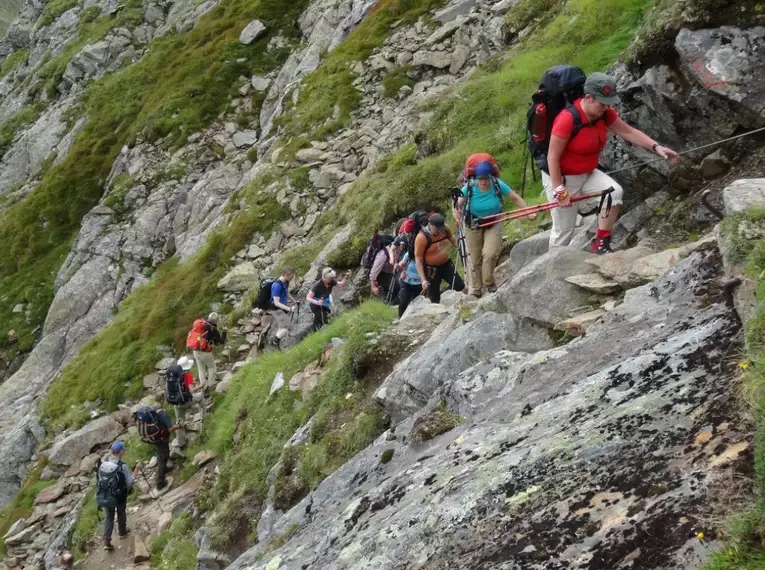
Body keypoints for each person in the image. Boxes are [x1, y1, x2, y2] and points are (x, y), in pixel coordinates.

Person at [545, 72, 679, 253]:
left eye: (608, 102)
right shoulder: (567, 119)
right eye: (602, 103)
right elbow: (552, 157)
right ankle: (550, 267)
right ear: (588, 97)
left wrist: (656, 147)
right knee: (564, 230)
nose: (606, 107)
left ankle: (601, 243)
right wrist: (559, 191)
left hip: (588, 172)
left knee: (614, 193)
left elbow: (629, 132)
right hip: (562, 178)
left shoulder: (604, 114)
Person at [454, 161, 535, 297]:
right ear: (476, 178)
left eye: (486, 179)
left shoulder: (497, 183)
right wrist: (457, 212)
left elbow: (514, 197)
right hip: (473, 224)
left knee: (490, 254)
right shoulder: (470, 186)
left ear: (490, 177)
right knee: (475, 258)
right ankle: (477, 288)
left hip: (494, 221)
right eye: (481, 179)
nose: (484, 182)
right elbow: (458, 204)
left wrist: (528, 212)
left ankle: (489, 282)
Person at [414, 213, 464, 304]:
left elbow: (452, 239)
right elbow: (418, 259)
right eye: (437, 229)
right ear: (430, 225)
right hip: (431, 270)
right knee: (434, 299)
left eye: (441, 229)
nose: (440, 232)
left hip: (446, 265)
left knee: (459, 285)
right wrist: (423, 280)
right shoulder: (421, 238)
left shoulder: (445, 229)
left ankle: (447, 294)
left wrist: (460, 246)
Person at [98, 441, 139, 551]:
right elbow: (129, 482)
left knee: (109, 517)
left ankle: (107, 541)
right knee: (121, 512)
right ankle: (122, 532)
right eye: (123, 451)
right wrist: (136, 470)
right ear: (120, 452)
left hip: (106, 495)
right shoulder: (123, 466)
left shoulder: (103, 464)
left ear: (111, 451)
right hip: (119, 495)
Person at [134, 405, 177, 491]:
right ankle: (160, 482)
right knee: (163, 456)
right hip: (160, 438)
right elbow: (171, 428)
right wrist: (180, 425)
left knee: (160, 453)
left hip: (151, 439)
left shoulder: (144, 417)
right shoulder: (161, 413)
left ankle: (165, 469)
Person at [169, 356, 198, 448]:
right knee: (200, 398)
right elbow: (191, 390)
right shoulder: (188, 375)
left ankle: (181, 442)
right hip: (187, 402)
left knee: (179, 421)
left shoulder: (172, 377)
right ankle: (202, 417)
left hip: (176, 403)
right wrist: (200, 385)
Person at [191, 313, 226, 389]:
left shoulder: (201, 324)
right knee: (212, 367)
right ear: (216, 321)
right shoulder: (214, 330)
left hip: (195, 350)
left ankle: (203, 385)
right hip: (205, 352)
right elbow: (220, 342)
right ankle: (211, 383)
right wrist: (224, 332)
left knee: (201, 369)